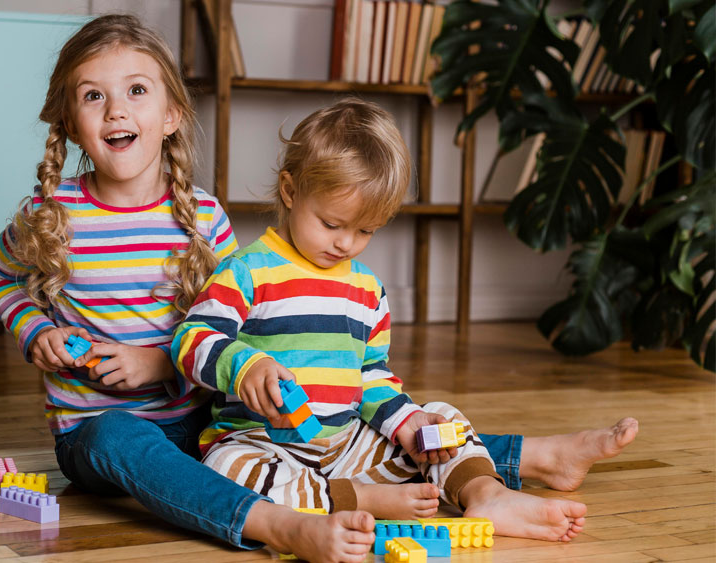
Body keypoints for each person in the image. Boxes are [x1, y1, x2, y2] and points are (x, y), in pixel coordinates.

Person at [0, 14, 638, 563]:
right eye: (93, 96)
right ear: (68, 118)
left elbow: (240, 323)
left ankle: (533, 457)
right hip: (99, 430)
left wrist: (169, 362)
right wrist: (38, 333)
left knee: (334, 424)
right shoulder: (51, 213)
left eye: (137, 91)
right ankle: (275, 522)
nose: (116, 109)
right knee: (117, 437)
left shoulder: (202, 216)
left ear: (174, 113)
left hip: (204, 420)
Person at [171, 98, 602, 543]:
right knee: (226, 470)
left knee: (440, 420)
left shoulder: (367, 289)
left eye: (365, 231)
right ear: (290, 190)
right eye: (332, 223)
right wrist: (246, 367)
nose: (345, 244)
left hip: (344, 448)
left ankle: (484, 492)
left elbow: (371, 376)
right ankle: (357, 499)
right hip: (261, 443)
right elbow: (191, 339)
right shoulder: (248, 270)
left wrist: (407, 423)